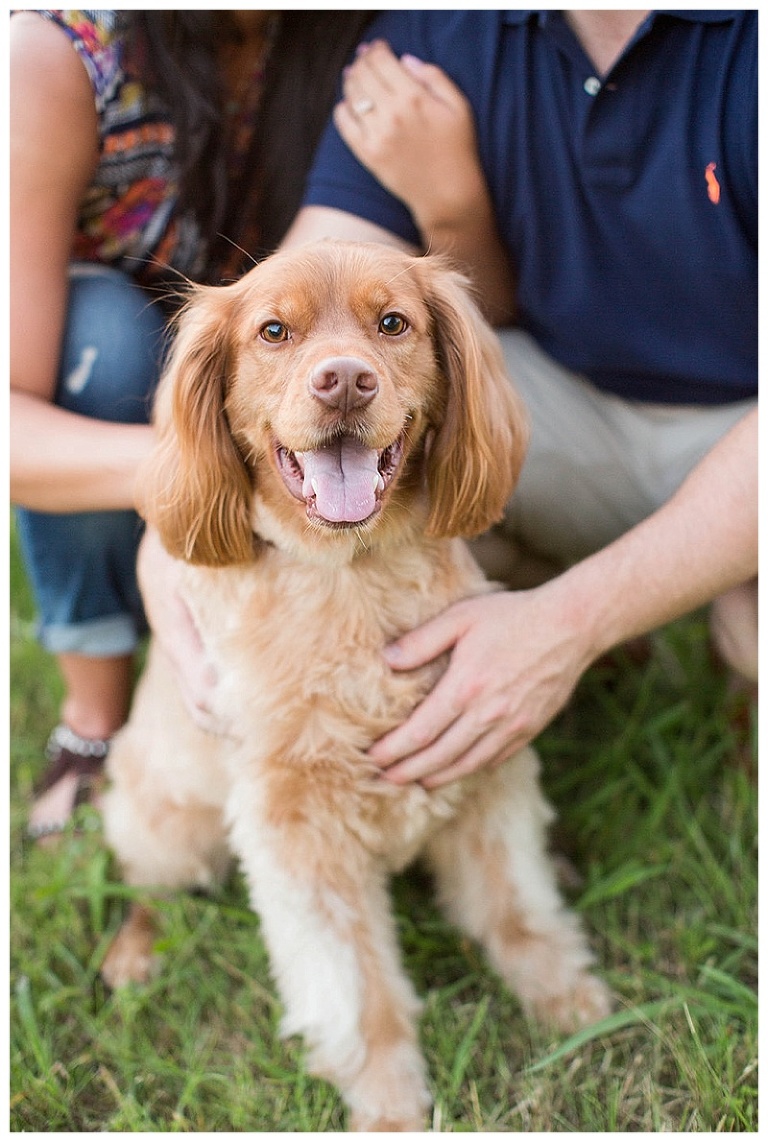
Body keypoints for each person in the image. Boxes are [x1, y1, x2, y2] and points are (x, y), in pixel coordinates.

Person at [276, 9, 757, 788]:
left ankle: (701, 640)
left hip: (744, 421)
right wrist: (173, 530)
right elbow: (296, 299)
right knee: (363, 504)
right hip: (565, 404)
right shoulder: (437, 35)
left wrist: (567, 625)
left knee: (756, 630)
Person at [10, 9, 376, 839]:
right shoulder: (57, 55)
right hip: (122, 401)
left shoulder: (366, 38)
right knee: (100, 336)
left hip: (292, 395)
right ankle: (95, 715)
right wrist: (194, 471)